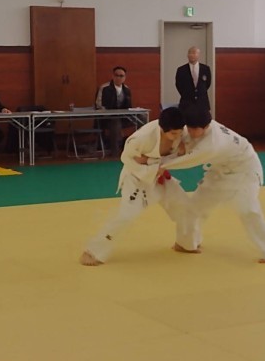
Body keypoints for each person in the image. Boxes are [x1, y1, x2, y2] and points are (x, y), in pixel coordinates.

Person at [161, 105, 265, 264]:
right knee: (193, 207)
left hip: (245, 170)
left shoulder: (214, 143)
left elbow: (188, 161)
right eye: (189, 127)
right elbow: (182, 143)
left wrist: (160, 165)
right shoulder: (192, 127)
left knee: (249, 210)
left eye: (195, 129)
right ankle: (186, 243)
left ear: (206, 126)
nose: (191, 132)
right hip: (219, 170)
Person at [79, 107, 192, 266]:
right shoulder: (141, 138)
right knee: (127, 215)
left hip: (159, 175)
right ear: (162, 128)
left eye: (179, 133)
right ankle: (93, 251)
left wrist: (154, 161)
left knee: (185, 205)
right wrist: (151, 166)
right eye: (174, 134)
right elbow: (127, 159)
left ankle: (185, 243)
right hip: (137, 178)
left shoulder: (182, 132)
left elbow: (184, 153)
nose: (177, 137)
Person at [95, 66, 133, 156]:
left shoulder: (127, 89)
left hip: (123, 117)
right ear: (112, 76)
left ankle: (140, 148)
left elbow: (129, 106)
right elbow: (98, 105)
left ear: (125, 77)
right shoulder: (104, 88)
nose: (119, 78)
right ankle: (115, 153)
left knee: (142, 119)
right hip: (106, 118)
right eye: (116, 75)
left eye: (121, 76)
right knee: (116, 122)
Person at [175, 46, 211, 112]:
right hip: (186, 103)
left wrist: (199, 92)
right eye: (189, 53)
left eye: (194, 53)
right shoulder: (181, 70)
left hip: (202, 103)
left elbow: (207, 84)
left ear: (198, 55)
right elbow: (178, 85)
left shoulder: (205, 69)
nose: (191, 55)